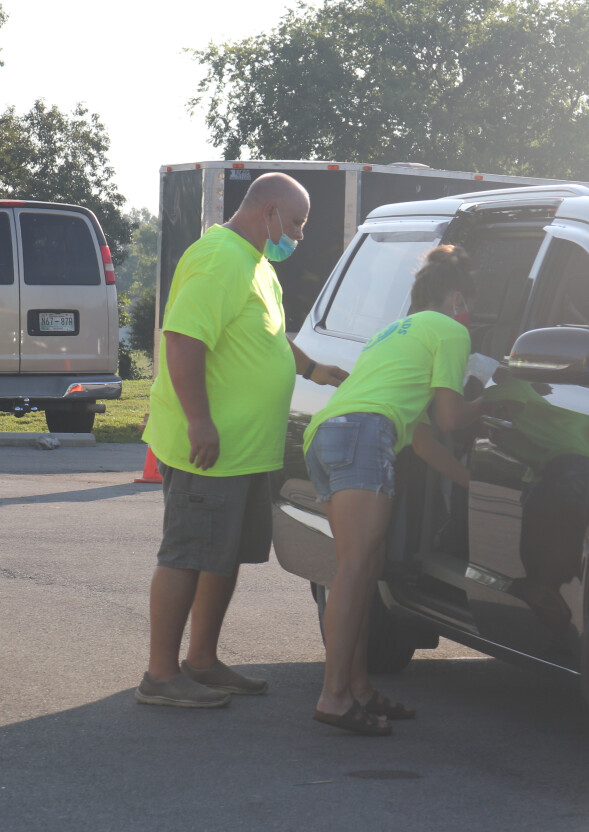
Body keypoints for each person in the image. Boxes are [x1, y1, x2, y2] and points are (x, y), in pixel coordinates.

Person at [137, 173, 347, 709]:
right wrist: (199, 422)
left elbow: (270, 340)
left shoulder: (257, 264)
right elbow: (182, 341)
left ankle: (201, 662)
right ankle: (160, 675)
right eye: (295, 223)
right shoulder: (220, 259)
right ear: (268, 212)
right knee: (187, 554)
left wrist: (314, 369)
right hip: (210, 447)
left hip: (244, 451)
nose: (298, 236)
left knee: (221, 555)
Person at [303, 245, 481, 735]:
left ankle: (358, 689)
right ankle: (333, 696)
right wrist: (492, 401)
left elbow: (421, 438)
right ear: (457, 297)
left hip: (326, 434)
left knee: (360, 570)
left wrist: (470, 483)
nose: (472, 314)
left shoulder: (392, 332)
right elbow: (449, 418)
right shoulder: (452, 330)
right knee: (356, 571)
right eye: (471, 304)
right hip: (364, 434)